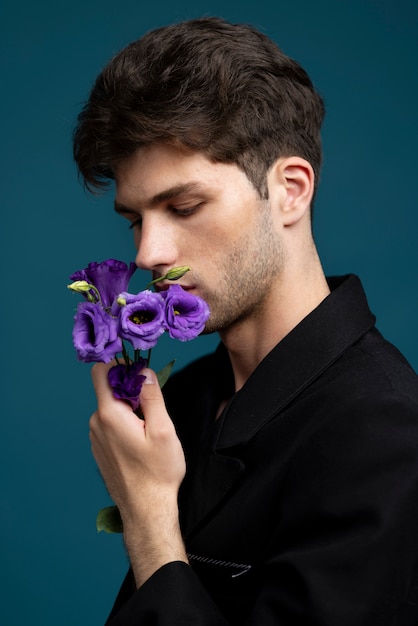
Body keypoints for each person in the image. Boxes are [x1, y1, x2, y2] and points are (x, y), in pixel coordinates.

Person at [72, 16, 418, 625]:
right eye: (135, 218)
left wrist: (150, 515)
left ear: (289, 189)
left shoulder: (386, 435)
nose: (147, 253)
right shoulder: (189, 396)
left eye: (183, 206)